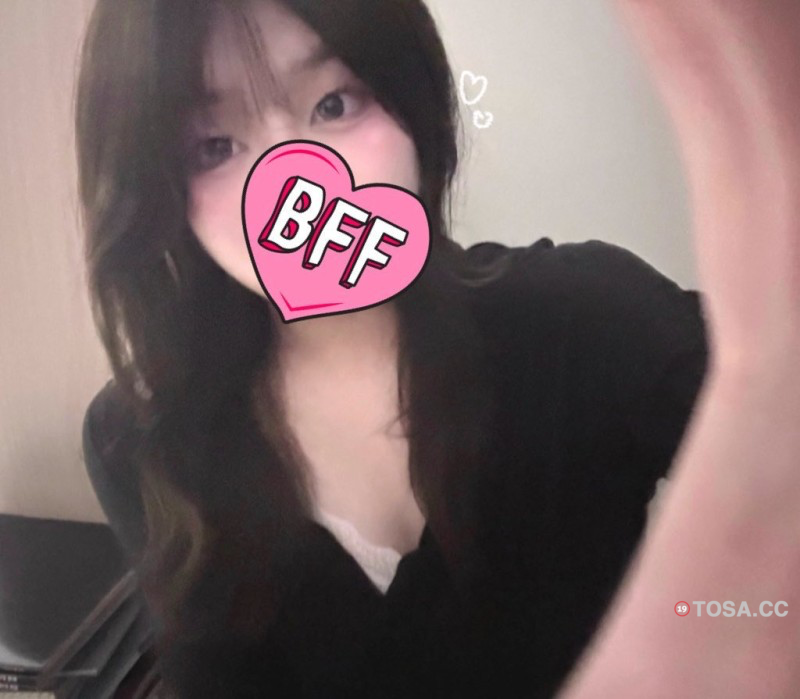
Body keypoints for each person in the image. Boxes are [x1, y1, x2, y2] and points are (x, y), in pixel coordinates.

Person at [77, 1, 800, 697]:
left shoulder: (590, 320)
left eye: (334, 104)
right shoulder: (141, 436)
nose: (297, 190)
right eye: (214, 146)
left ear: (411, 100)